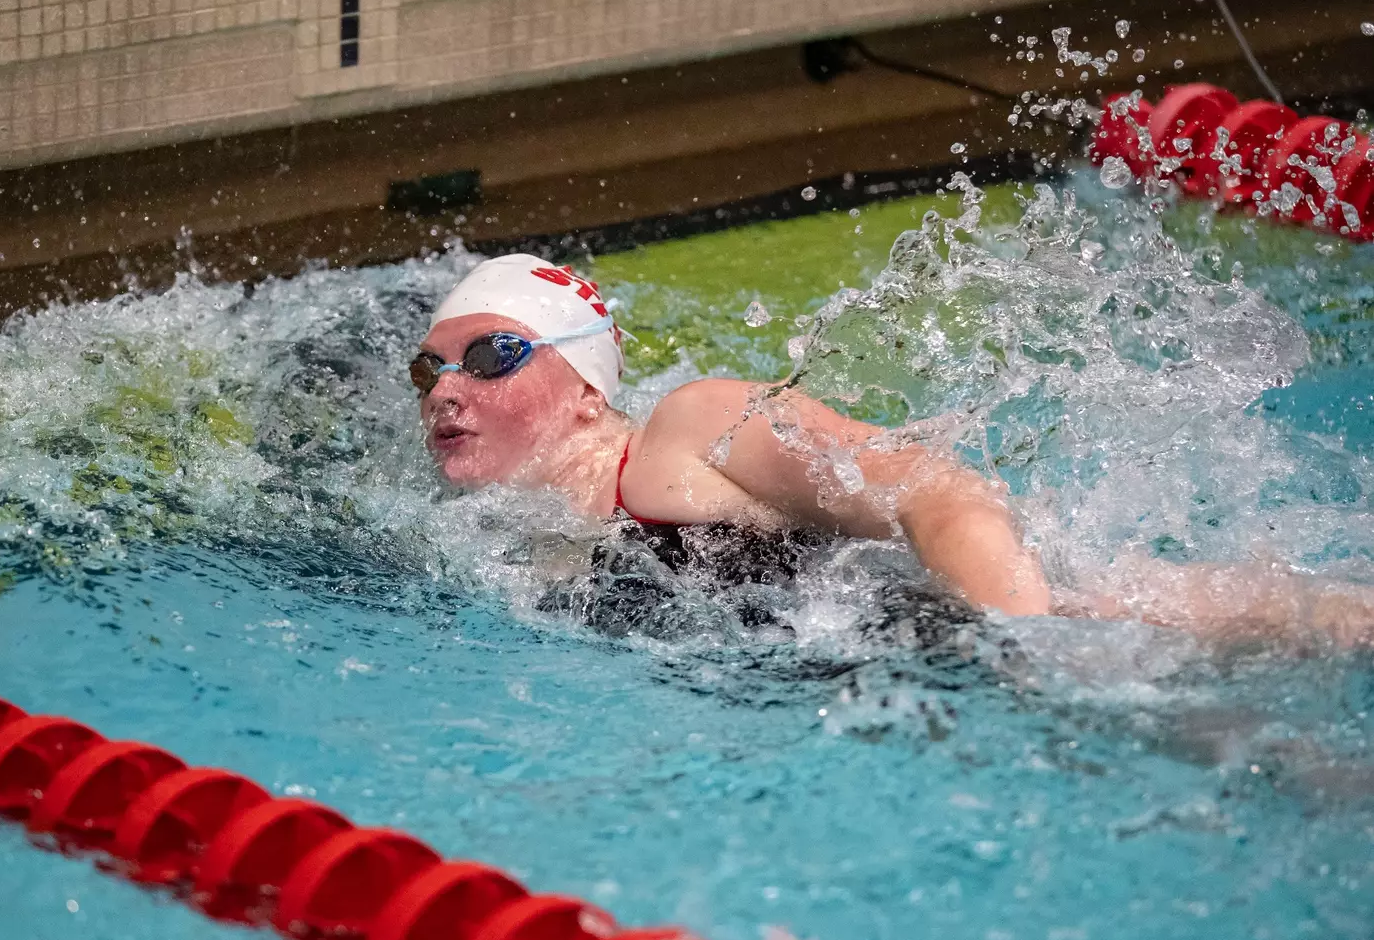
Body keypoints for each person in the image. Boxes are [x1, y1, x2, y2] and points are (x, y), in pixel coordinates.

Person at [413, 253, 1374, 649]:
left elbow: (944, 496)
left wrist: (1036, 652)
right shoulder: (506, 540)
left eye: (492, 356)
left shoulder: (689, 430)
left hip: (1055, 631)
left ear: (588, 392)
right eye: (429, 371)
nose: (447, 389)